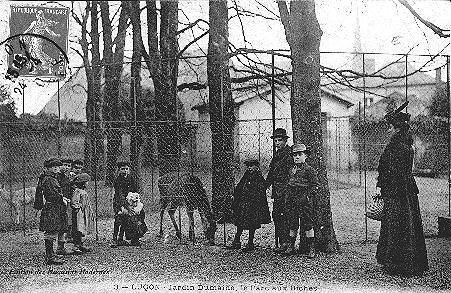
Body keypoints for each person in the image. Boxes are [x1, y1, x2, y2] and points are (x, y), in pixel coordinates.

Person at [375, 101, 428, 277]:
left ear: (397, 128)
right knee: (406, 224)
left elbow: (389, 169)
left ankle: (400, 264)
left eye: (390, 127)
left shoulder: (397, 146)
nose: (388, 130)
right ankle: (405, 262)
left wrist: (381, 186)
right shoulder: (404, 144)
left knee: (398, 225)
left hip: (397, 191)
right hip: (404, 190)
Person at [226, 158, 271, 252]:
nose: (249, 168)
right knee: (240, 222)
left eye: (251, 166)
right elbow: (240, 185)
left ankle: (250, 243)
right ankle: (236, 241)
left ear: (256, 167)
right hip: (244, 203)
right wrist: (235, 194)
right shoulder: (246, 175)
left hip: (253, 205)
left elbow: (261, 188)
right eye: (248, 166)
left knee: (252, 224)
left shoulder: (258, 177)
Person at [282, 144, 318, 258]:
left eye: (299, 154)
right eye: (294, 155)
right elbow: (288, 184)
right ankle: (291, 246)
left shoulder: (309, 170)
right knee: (292, 223)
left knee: (307, 224)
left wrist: (307, 196)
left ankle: (312, 248)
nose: (297, 157)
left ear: (305, 156)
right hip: (292, 200)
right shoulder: (291, 170)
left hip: (304, 200)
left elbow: (315, 186)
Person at [265, 128, 293, 252]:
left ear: (285, 140)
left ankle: (288, 243)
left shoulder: (289, 154)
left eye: (280, 140)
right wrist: (265, 185)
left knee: (287, 216)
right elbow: (272, 172)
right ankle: (282, 242)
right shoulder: (277, 154)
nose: (277, 143)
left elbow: (290, 174)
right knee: (277, 215)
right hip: (277, 191)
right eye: (275, 141)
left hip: (287, 190)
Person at [39, 158, 69, 265]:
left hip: (55, 207)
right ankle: (50, 257)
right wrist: (62, 199)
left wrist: (62, 198)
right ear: (48, 168)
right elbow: (52, 194)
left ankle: (51, 254)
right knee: (50, 230)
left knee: (54, 229)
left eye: (57, 166)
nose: (56, 168)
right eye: (53, 166)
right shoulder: (48, 179)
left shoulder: (52, 178)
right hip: (52, 207)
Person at [111, 161, 137, 248]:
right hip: (119, 202)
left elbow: (134, 190)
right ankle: (114, 239)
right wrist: (124, 206)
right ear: (119, 170)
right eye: (123, 169)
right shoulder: (117, 180)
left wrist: (134, 200)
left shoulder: (131, 178)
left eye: (126, 169)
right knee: (119, 218)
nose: (125, 171)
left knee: (126, 219)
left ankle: (121, 238)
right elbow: (119, 194)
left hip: (129, 201)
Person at [71, 173, 94, 253]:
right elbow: (74, 201)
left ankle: (81, 244)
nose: (87, 184)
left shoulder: (83, 191)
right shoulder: (78, 191)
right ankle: (76, 246)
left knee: (83, 228)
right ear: (82, 183)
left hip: (84, 212)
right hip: (79, 213)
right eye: (86, 182)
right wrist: (77, 208)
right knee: (78, 228)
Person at [57, 158, 73, 251]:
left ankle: (61, 246)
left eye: (68, 166)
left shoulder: (66, 177)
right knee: (60, 224)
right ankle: (59, 246)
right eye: (65, 165)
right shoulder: (57, 177)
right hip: (59, 203)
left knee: (65, 223)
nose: (66, 167)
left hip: (66, 202)